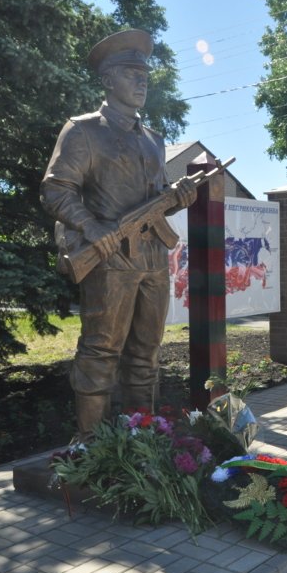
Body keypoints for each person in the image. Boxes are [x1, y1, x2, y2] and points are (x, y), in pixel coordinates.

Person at [40, 29, 197, 440]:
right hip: (108, 260)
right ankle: (90, 444)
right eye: (131, 73)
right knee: (100, 353)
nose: (142, 81)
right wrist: (93, 229)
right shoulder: (82, 131)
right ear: (108, 80)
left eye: (144, 74)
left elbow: (155, 197)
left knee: (146, 354)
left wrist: (177, 197)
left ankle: (140, 436)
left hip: (151, 261)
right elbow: (56, 188)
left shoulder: (153, 140)